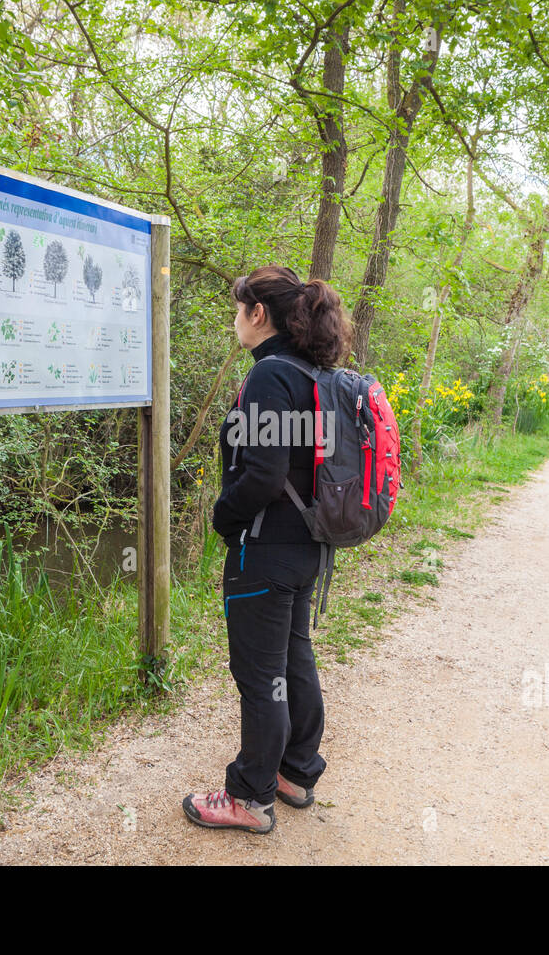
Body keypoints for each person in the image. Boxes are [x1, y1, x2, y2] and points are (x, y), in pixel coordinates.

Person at [182, 264, 353, 834]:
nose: (236, 320)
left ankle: (249, 797)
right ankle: (296, 772)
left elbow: (261, 473)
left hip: (266, 550)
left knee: (260, 674)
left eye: (239, 309)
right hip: (308, 548)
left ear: (258, 314)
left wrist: (222, 518)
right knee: (292, 659)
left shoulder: (268, 377)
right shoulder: (312, 374)